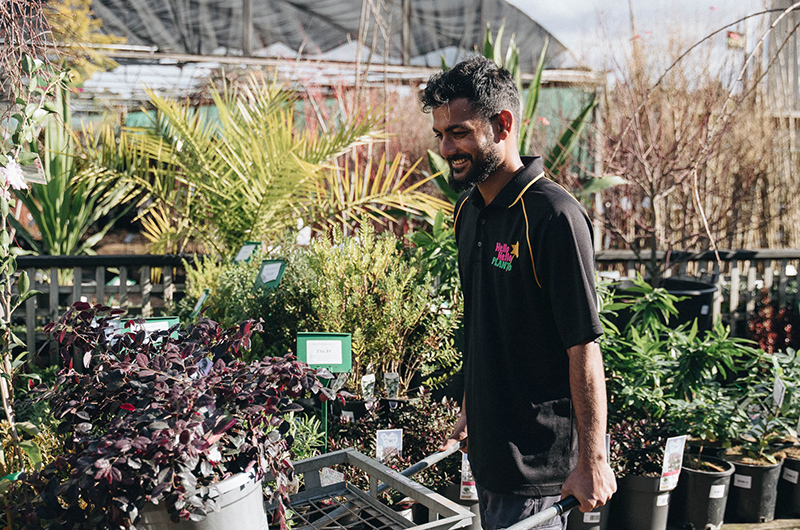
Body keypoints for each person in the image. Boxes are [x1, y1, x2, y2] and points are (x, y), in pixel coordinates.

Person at [420, 56, 616, 530]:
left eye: (460, 132)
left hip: (536, 470)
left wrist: (592, 459)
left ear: (502, 124)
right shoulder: (468, 213)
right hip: (488, 457)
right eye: (441, 135)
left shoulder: (553, 217)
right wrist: (470, 406)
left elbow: (583, 346)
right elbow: (485, 324)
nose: (447, 148)